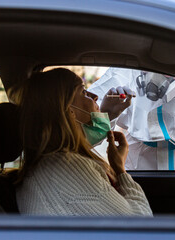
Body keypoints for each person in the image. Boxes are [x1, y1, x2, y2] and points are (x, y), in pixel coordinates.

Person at [15, 68, 152, 216]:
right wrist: (120, 170)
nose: (94, 96)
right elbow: (139, 222)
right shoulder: (67, 167)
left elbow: (75, 143)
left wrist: (105, 114)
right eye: (83, 92)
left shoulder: (50, 163)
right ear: (69, 111)